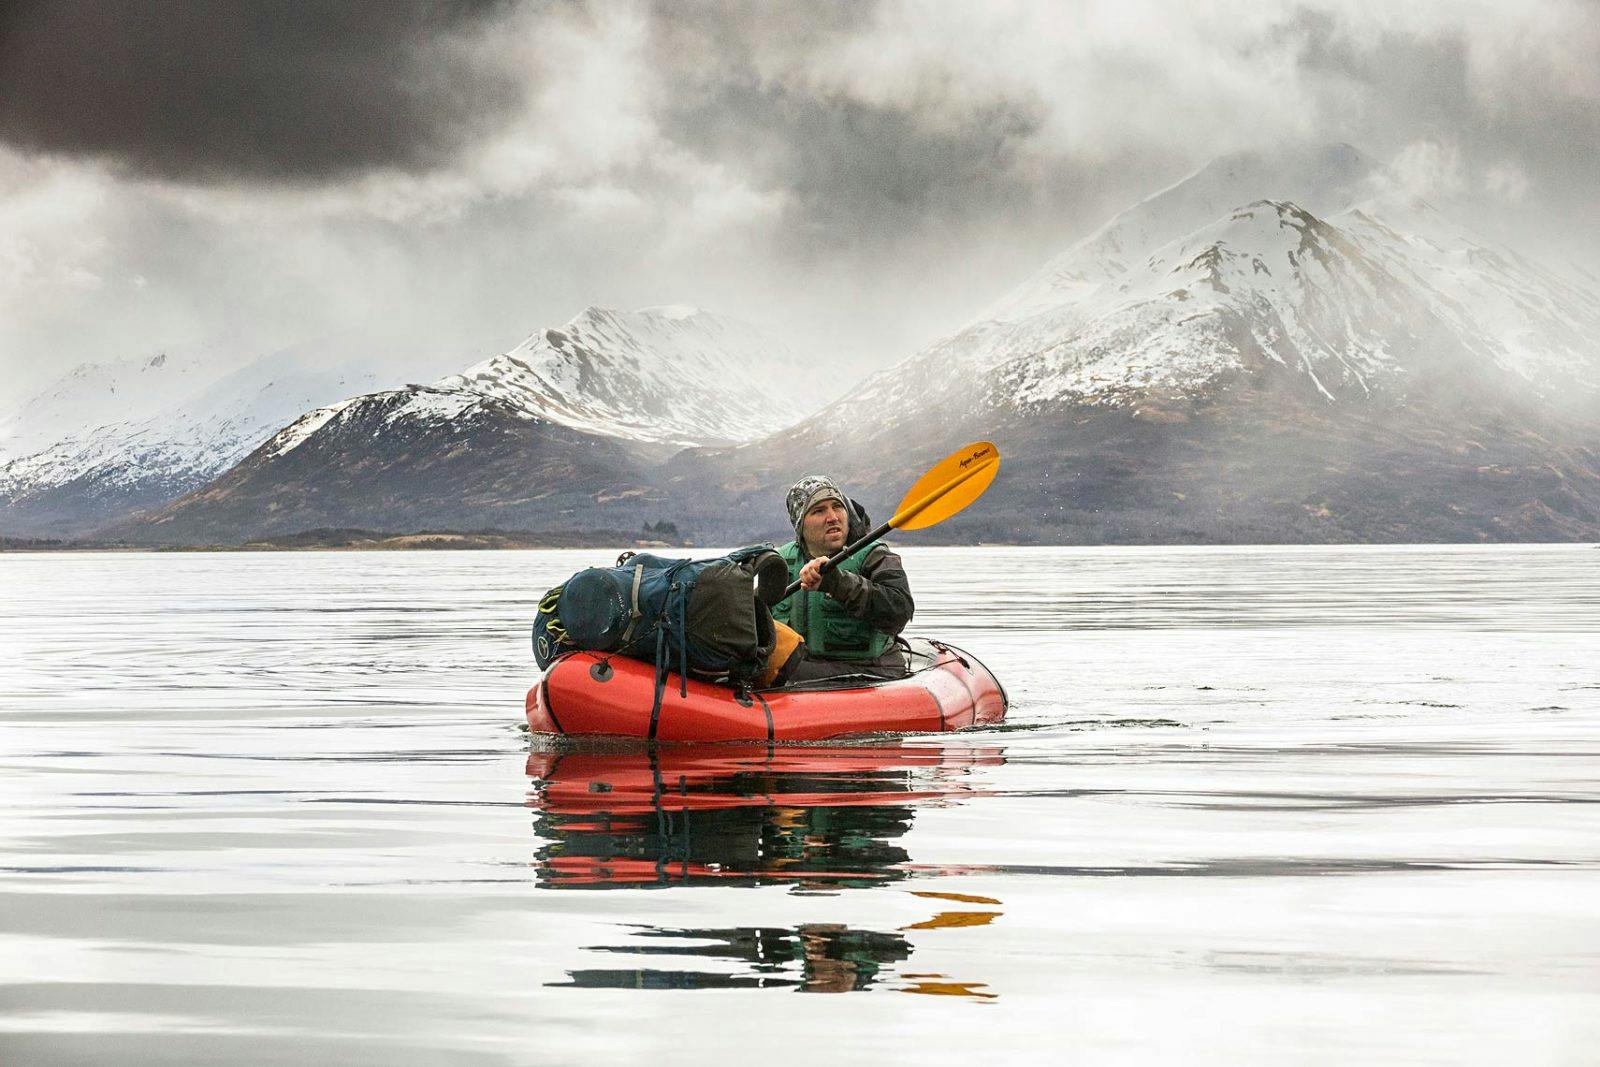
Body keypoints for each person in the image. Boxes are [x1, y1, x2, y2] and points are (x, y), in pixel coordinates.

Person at [772, 475, 913, 683]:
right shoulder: (781, 562)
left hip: (870, 672)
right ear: (800, 525)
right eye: (819, 511)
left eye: (837, 507)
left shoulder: (875, 555)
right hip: (804, 671)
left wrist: (837, 583)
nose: (833, 517)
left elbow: (900, 611)